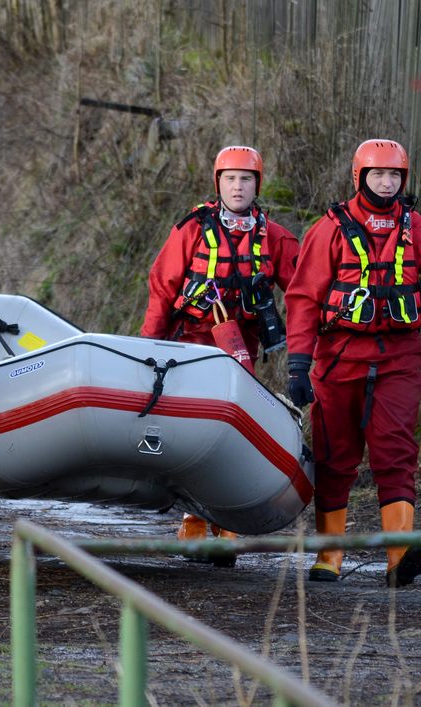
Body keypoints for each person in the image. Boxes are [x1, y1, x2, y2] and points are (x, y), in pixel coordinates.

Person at [285, 138, 421, 588]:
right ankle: (329, 557)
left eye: (395, 175)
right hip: (338, 359)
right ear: (359, 178)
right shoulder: (329, 230)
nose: (386, 183)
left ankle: (399, 554)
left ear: (404, 180)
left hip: (398, 358)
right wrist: (298, 366)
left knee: (395, 451)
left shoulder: (420, 229)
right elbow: (303, 300)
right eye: (378, 175)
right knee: (335, 456)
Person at [141, 145, 299, 565]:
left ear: (257, 185)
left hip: (238, 352)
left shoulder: (274, 236)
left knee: (230, 437)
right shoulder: (192, 228)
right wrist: (148, 350)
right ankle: (194, 520)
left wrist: (305, 353)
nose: (238, 186)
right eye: (230, 178)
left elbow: (304, 291)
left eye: (246, 179)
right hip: (191, 346)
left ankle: (226, 526)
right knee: (192, 435)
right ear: (218, 183)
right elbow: (162, 289)